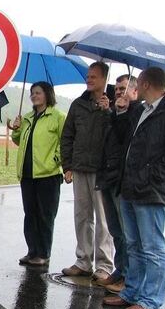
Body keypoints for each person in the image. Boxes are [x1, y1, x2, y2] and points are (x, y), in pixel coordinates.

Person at [102, 67, 165, 309]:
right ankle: (132, 292)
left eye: (137, 84)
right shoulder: (140, 110)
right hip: (128, 186)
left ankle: (150, 299)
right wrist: (119, 111)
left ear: (147, 84)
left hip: (151, 190)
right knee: (133, 244)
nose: (134, 89)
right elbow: (122, 138)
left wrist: (152, 175)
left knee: (152, 247)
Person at [60, 61, 114, 280]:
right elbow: (67, 136)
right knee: (82, 217)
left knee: (103, 220)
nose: (89, 79)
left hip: (102, 171)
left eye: (93, 76)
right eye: (88, 76)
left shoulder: (113, 105)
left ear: (104, 79)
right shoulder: (77, 105)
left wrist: (109, 111)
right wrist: (68, 165)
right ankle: (83, 261)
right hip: (80, 167)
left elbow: (120, 134)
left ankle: (104, 265)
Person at [11, 82, 66, 266]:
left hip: (48, 175)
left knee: (45, 215)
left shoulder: (57, 116)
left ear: (47, 94)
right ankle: (32, 250)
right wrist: (17, 129)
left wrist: (56, 160)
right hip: (27, 174)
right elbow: (18, 141)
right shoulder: (27, 117)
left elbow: (64, 141)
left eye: (38, 93)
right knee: (30, 214)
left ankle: (43, 253)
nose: (34, 96)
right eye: (32, 93)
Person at [94, 74, 138, 290]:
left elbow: (124, 139)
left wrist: (119, 112)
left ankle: (128, 276)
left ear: (135, 91)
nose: (120, 92)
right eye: (118, 89)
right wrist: (109, 113)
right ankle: (120, 269)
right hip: (106, 176)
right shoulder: (114, 113)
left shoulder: (136, 113)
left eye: (124, 88)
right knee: (115, 230)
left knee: (125, 230)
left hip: (121, 179)